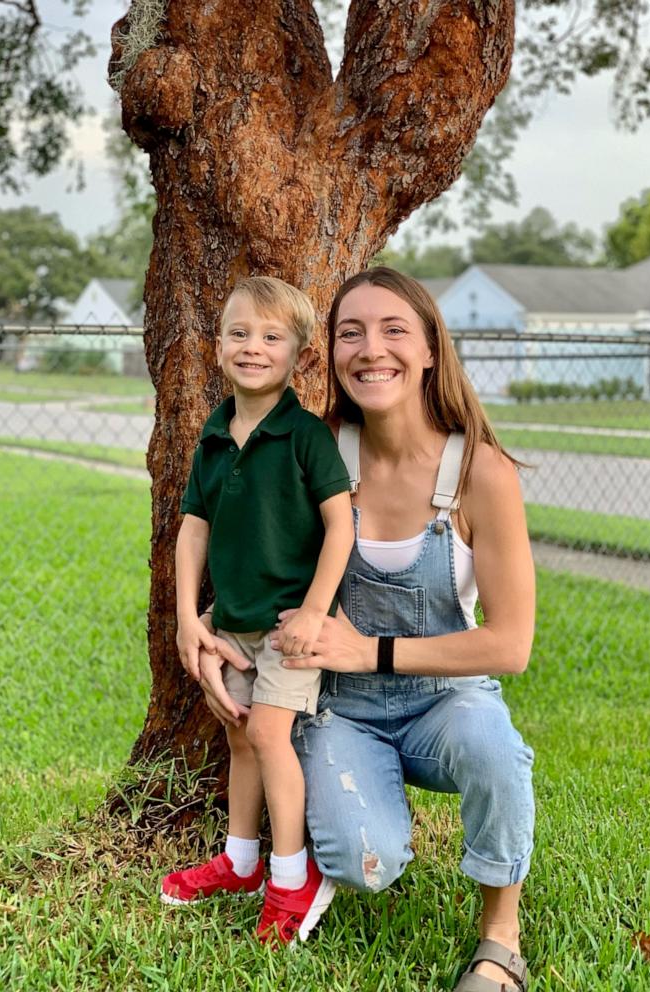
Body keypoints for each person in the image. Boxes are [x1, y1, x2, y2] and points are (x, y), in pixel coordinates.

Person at [198, 267, 536, 990]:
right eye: (351, 332)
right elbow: (253, 550)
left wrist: (368, 647)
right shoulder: (318, 448)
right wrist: (202, 626)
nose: (370, 349)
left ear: (428, 351)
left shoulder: (480, 473)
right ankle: (329, 832)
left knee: (496, 749)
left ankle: (501, 939)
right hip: (339, 707)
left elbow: (511, 646)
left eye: (393, 330)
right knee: (366, 863)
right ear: (333, 352)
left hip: (446, 702)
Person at [160, 276, 354, 946]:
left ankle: (290, 876)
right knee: (240, 734)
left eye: (271, 337)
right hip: (231, 623)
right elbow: (193, 528)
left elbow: (342, 528)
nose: (253, 346)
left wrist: (312, 612)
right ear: (217, 348)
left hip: (287, 630)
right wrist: (190, 618)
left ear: (299, 354)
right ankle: (240, 861)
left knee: (270, 737)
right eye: (239, 333)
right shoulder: (214, 438)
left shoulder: (304, 437)